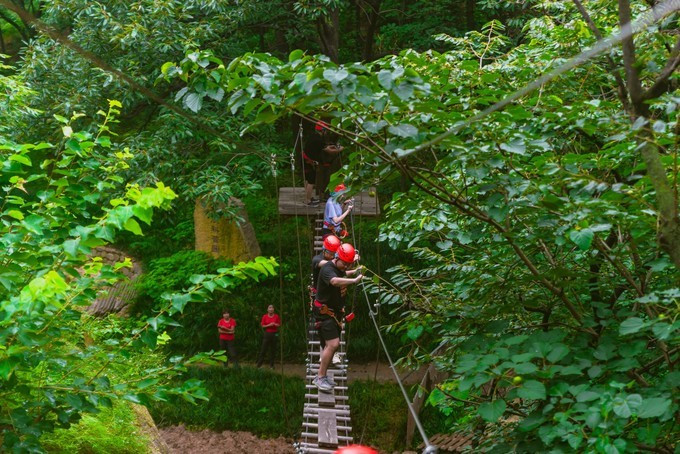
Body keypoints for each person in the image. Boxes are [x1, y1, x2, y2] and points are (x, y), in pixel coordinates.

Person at [312, 243, 363, 392]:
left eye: (349, 264)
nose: (346, 266)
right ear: (337, 258)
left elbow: (343, 273)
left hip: (333, 313)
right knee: (333, 344)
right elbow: (334, 281)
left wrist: (354, 271)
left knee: (330, 346)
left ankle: (323, 376)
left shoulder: (339, 268)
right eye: (345, 263)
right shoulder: (327, 269)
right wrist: (354, 281)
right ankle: (320, 377)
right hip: (325, 314)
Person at [312, 121, 343, 202]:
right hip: (322, 162)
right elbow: (329, 151)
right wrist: (339, 149)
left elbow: (327, 146)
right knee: (324, 179)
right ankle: (323, 196)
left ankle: (325, 195)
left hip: (325, 162)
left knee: (326, 178)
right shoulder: (319, 139)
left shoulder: (318, 137)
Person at [256, 304, 281, 369]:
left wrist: (275, 324)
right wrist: (269, 325)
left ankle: (271, 365)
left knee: (273, 350)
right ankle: (259, 365)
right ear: (267, 309)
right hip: (267, 334)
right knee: (263, 349)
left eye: (272, 308)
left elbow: (279, 324)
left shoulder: (276, 316)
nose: (271, 309)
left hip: (275, 334)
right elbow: (263, 325)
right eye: (269, 308)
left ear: (273, 309)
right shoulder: (264, 316)